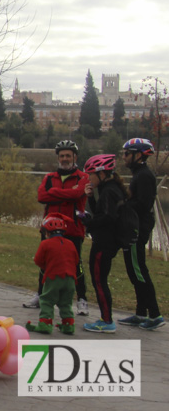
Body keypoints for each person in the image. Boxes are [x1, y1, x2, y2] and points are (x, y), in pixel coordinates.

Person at [25, 140, 89, 315]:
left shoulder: (83, 177)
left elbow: (78, 194)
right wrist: (66, 196)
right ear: (58, 158)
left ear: (75, 157)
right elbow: (41, 196)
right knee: (45, 262)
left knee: (76, 264)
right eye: (62, 156)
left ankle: (82, 300)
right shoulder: (49, 177)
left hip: (73, 228)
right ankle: (40, 294)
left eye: (68, 155)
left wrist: (53, 193)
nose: (65, 159)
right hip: (49, 228)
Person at [117, 138, 164, 331]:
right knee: (133, 270)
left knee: (138, 270)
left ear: (138, 155)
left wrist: (123, 205)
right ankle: (140, 313)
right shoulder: (139, 174)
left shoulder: (144, 176)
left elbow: (144, 204)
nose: (124, 157)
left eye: (127, 154)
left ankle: (154, 315)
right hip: (134, 225)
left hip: (138, 227)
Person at [81, 153, 128, 334]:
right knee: (100, 279)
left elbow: (107, 218)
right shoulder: (112, 188)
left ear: (102, 173)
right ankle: (105, 318)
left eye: (91, 174)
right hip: (109, 242)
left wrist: (88, 222)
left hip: (104, 243)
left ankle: (107, 320)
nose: (89, 178)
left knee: (99, 281)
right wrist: (91, 198)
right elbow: (103, 212)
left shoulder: (109, 191)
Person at [28, 214, 78, 334]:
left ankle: (45, 324)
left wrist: (46, 266)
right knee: (66, 302)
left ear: (47, 232)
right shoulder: (71, 244)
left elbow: (38, 260)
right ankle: (68, 325)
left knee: (46, 300)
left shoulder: (45, 244)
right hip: (71, 278)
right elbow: (76, 260)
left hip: (53, 277)